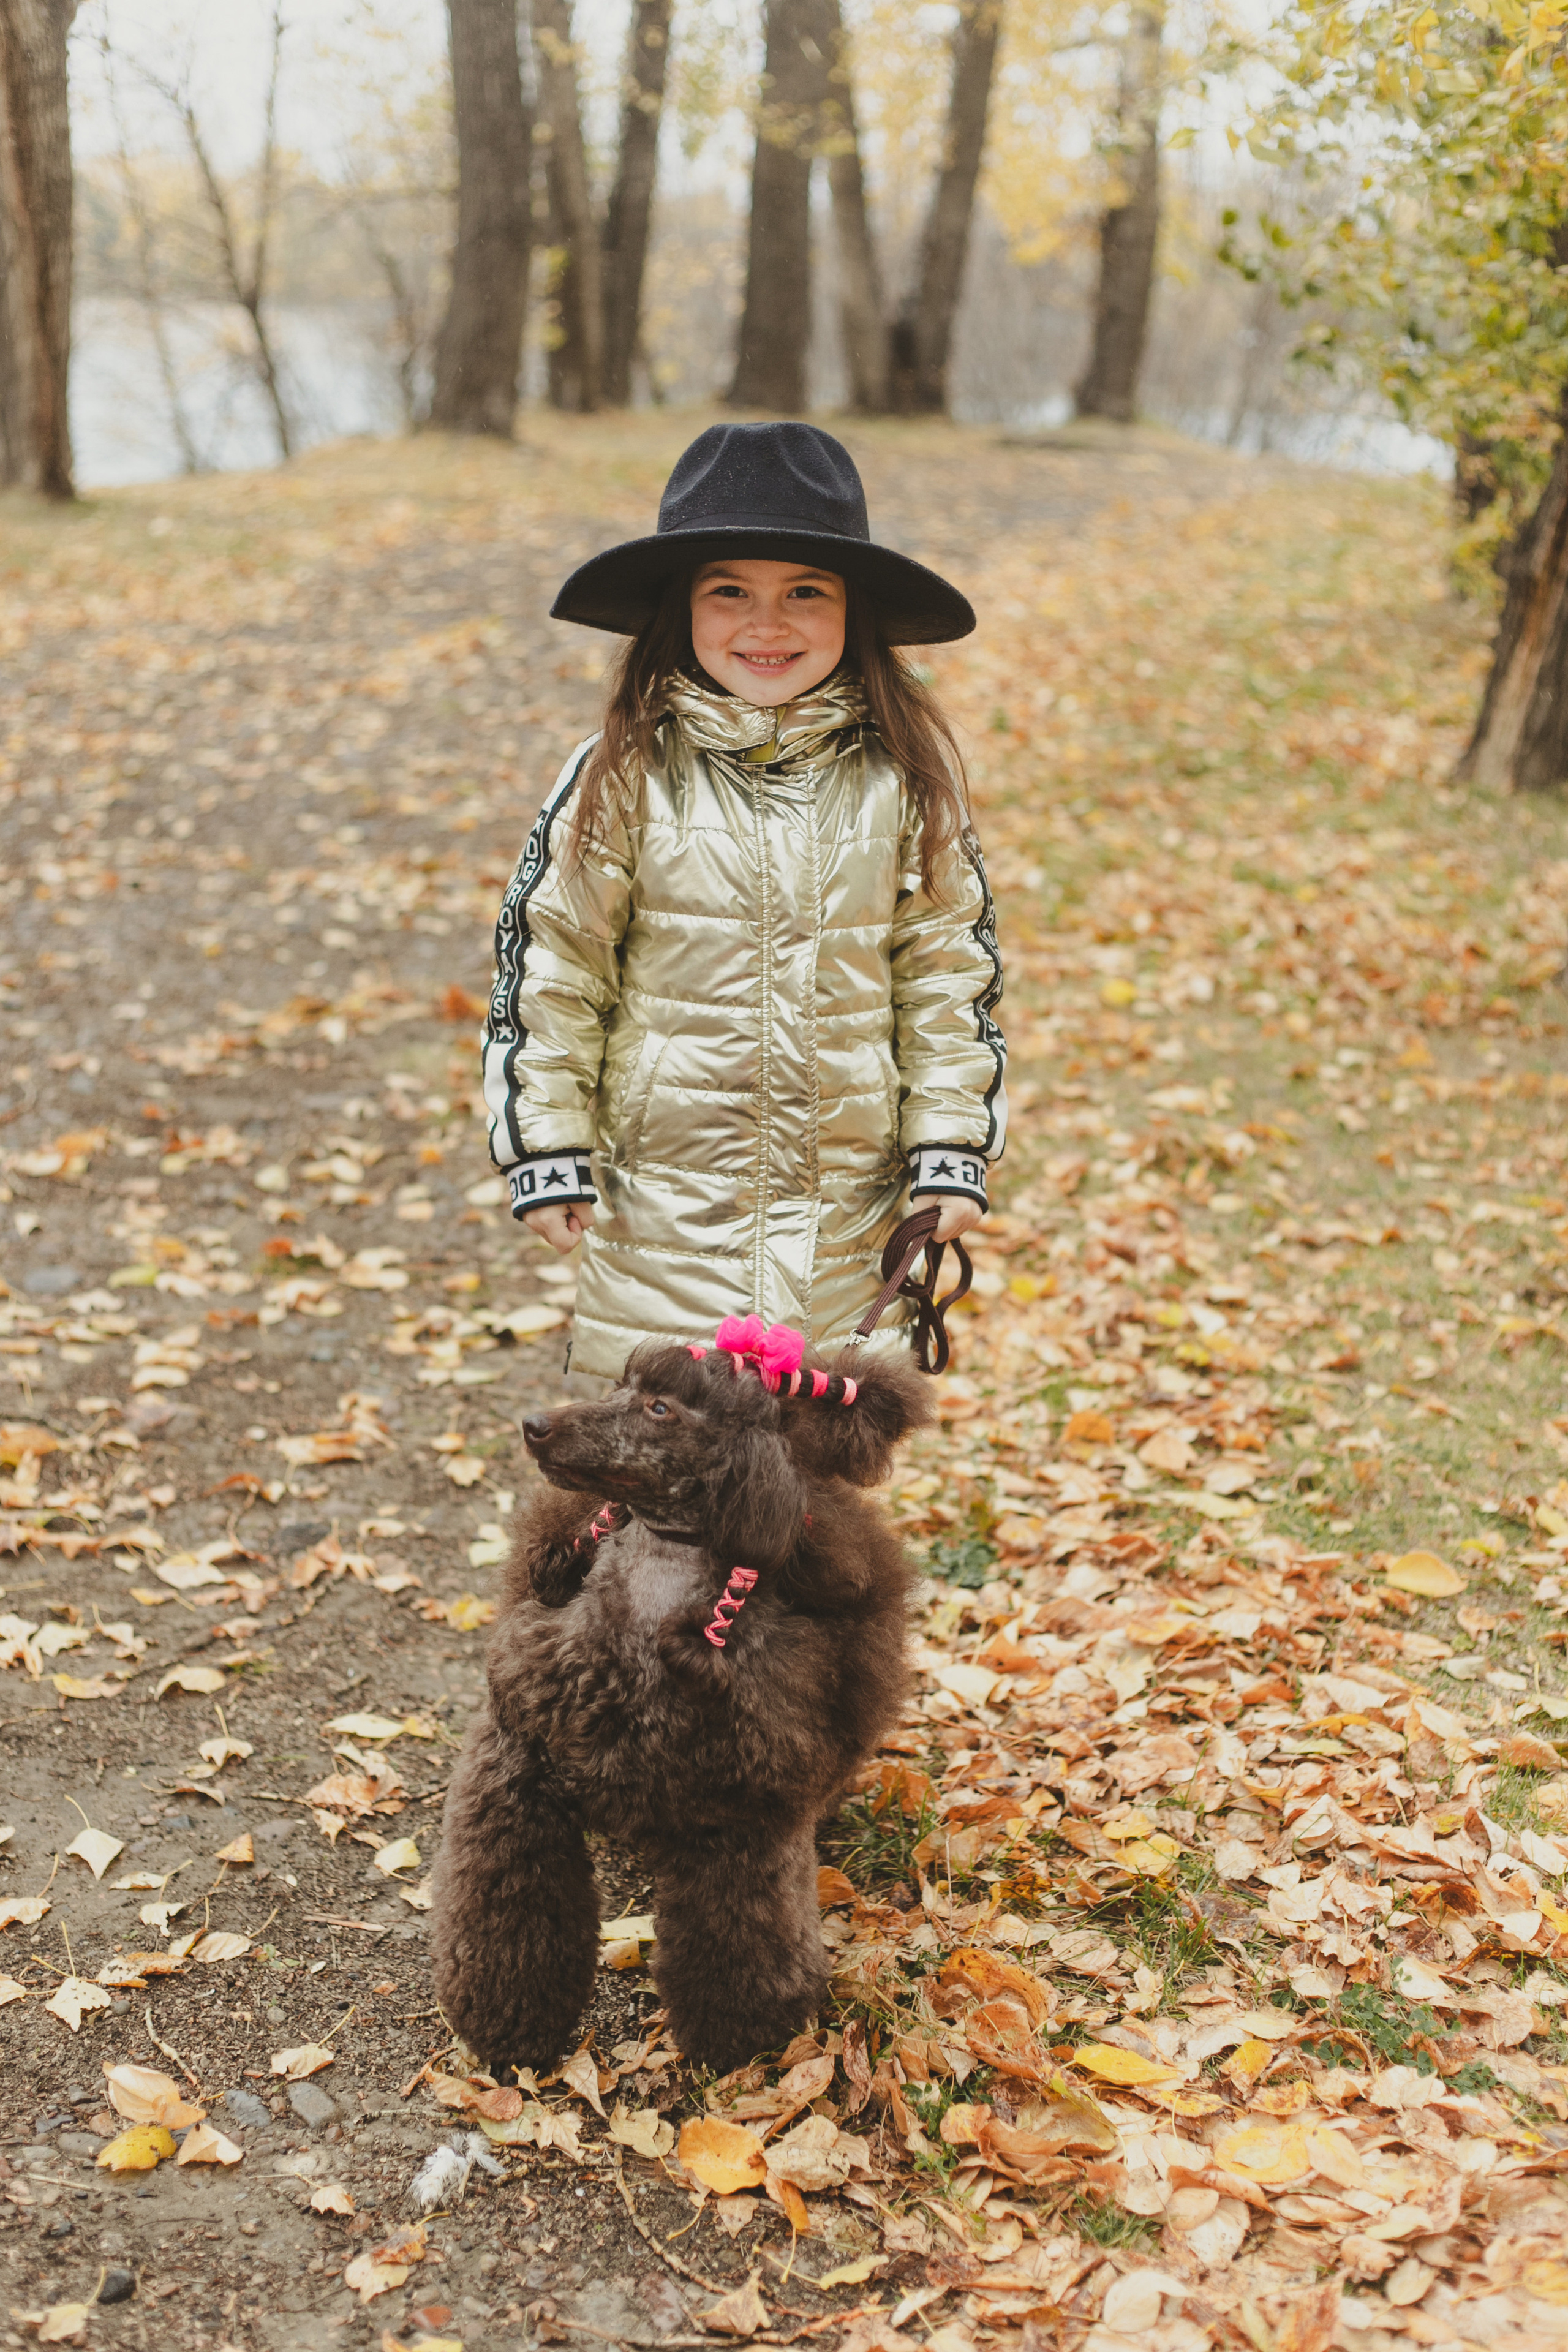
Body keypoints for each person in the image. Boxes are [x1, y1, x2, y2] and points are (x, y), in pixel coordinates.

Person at [481, 421, 1006, 1384]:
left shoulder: (906, 783)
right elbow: (551, 967)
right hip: (665, 1216)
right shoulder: (620, 775)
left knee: (813, 1478)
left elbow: (949, 984)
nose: (769, 625)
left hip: (848, 1219)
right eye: (732, 592)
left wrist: (948, 1151)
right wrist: (545, 1142)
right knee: (664, 1460)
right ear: (681, 610)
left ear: (856, 612)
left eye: (806, 592)